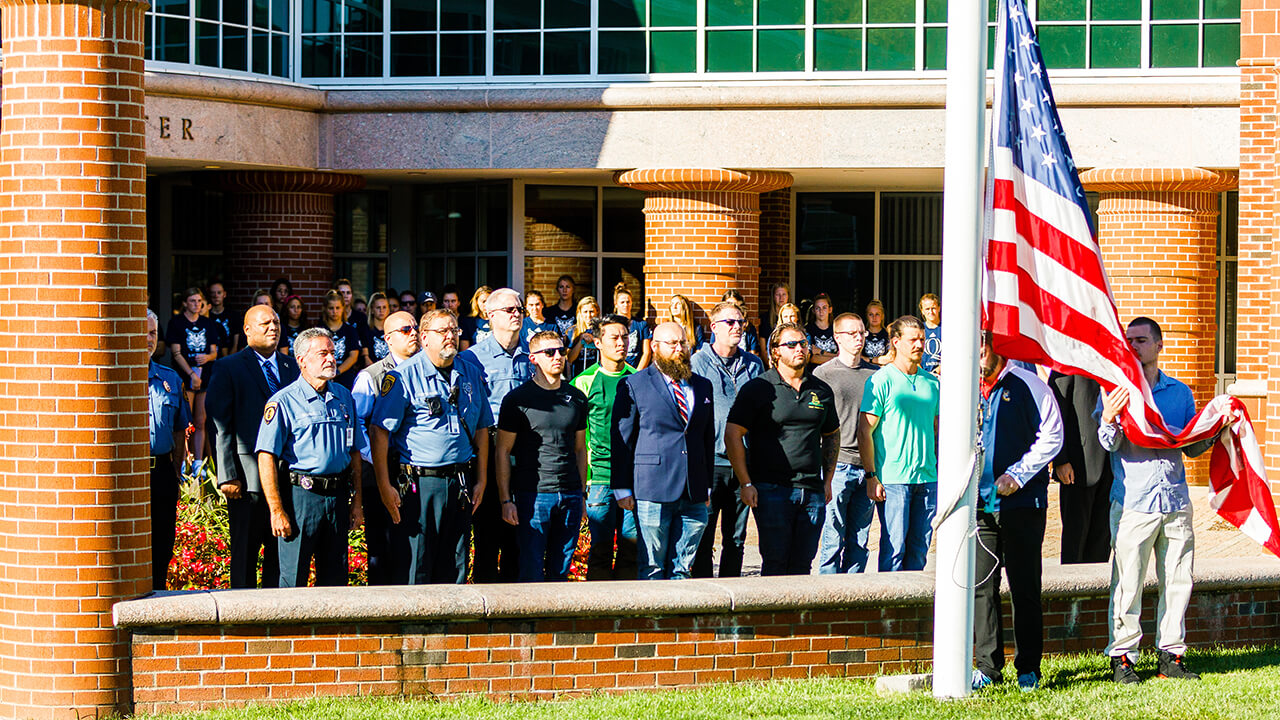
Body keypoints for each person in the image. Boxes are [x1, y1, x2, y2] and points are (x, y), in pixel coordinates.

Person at [1098, 317, 1219, 683]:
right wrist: (1108, 416)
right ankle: (1122, 657)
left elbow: (1190, 446)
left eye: (1141, 340)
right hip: (1134, 502)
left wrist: (1215, 426)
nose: (1133, 346)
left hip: (1176, 502)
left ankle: (1171, 655)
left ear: (1158, 345)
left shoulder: (1179, 393)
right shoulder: (1118, 392)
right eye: (1129, 340)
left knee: (1179, 581)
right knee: (1128, 583)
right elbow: (1108, 443)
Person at [369, 309, 492, 584]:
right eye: (442, 332)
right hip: (420, 485)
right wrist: (384, 486)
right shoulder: (403, 376)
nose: (451, 336)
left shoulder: (470, 373)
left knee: (457, 565)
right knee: (417, 565)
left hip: (461, 481)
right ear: (424, 338)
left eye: (455, 331)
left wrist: (482, 479)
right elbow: (379, 432)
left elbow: (482, 427)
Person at [970, 333, 1064, 693]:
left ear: (998, 348)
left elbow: (1052, 435)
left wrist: (1019, 474)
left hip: (1022, 504)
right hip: (980, 506)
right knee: (982, 588)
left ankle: (1029, 669)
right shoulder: (964, 387)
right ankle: (988, 668)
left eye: (983, 347)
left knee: (1024, 587)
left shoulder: (1029, 384)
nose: (978, 355)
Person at [726, 322, 839, 576]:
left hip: (811, 491)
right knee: (775, 563)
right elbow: (733, 434)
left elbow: (831, 435)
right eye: (791, 344)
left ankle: (798, 617)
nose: (799, 348)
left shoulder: (820, 390)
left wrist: (828, 480)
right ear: (775, 351)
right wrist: (746, 483)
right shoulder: (758, 388)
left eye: (803, 343)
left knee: (802, 565)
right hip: (771, 489)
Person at [255, 327, 364, 588]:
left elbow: (355, 452)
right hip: (301, 499)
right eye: (323, 353)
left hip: (337, 497)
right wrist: (276, 510)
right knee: (293, 579)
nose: (331, 359)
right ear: (302, 360)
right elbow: (266, 456)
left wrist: (357, 501)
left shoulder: (344, 397)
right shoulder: (283, 401)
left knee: (336, 579)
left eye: (333, 353)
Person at [205, 304, 300, 588]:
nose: (273, 327)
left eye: (276, 323)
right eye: (265, 323)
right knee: (245, 553)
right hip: (246, 481)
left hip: (286, 475)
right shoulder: (228, 367)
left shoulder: (291, 366)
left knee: (278, 553)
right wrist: (227, 474)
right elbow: (220, 424)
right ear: (247, 330)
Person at [611, 322, 714, 580]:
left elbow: (706, 439)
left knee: (683, 568)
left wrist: (707, 485)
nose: (679, 349)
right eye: (672, 344)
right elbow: (622, 441)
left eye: (683, 343)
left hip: (693, 490)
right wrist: (622, 488)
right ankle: (652, 620)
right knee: (652, 566)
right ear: (654, 347)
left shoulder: (702, 386)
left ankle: (677, 618)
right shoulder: (634, 385)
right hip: (652, 489)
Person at [495, 331, 589, 582]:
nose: (557, 356)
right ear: (533, 358)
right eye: (549, 352)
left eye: (561, 351)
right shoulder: (517, 400)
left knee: (561, 572)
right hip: (532, 496)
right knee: (531, 572)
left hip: (569, 493)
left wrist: (580, 494)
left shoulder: (577, 398)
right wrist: (506, 500)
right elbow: (502, 451)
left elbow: (580, 449)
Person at [457, 288, 531, 584]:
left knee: (520, 538)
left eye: (519, 309)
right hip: (489, 450)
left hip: (527, 453)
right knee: (487, 535)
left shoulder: (534, 353)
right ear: (490, 316)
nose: (516, 314)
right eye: (509, 310)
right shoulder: (472, 358)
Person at [859, 315, 940, 572]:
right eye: (913, 339)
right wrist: (872, 475)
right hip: (893, 479)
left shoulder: (933, 383)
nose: (920, 344)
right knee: (894, 550)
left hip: (927, 478)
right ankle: (888, 610)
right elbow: (864, 430)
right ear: (896, 341)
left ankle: (914, 611)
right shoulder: (881, 379)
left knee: (919, 550)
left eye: (922, 339)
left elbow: (939, 429)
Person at [690, 301, 762, 578]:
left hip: (743, 464)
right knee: (703, 535)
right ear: (713, 328)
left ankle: (733, 596)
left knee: (735, 538)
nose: (737, 327)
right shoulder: (697, 363)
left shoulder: (753, 365)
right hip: (710, 463)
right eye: (730, 322)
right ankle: (705, 598)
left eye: (741, 322)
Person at [352, 310, 420, 585]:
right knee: (382, 552)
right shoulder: (372, 376)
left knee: (412, 548)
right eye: (406, 330)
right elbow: (356, 422)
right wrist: (374, 455)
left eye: (415, 327)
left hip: (414, 472)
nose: (413, 333)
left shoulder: (426, 369)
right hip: (379, 472)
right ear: (388, 339)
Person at [572, 315, 638, 580]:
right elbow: (577, 439)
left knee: (631, 550)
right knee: (599, 550)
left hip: (633, 478)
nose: (621, 342)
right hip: (599, 478)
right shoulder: (584, 382)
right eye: (614, 337)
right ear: (598, 342)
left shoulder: (638, 378)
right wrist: (583, 482)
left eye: (625, 336)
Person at [813, 313, 879, 574]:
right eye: (852, 333)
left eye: (862, 333)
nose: (859, 338)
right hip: (837, 466)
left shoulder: (876, 374)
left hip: (868, 466)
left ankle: (854, 597)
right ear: (837, 337)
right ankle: (828, 597)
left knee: (860, 540)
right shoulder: (823, 373)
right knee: (832, 538)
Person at [146, 309, 191, 591]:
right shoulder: (116, 378)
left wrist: (176, 471)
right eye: (142, 332)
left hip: (161, 471)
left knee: (162, 542)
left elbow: (179, 428)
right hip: (128, 475)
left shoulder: (170, 379)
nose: (148, 339)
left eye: (152, 333)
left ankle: (157, 597)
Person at [1050, 372, 1114, 564]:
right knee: (1075, 537)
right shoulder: (1067, 359)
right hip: (1078, 465)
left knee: (1103, 536)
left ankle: (1096, 589)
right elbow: (1056, 411)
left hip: (1113, 463)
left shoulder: (1115, 359)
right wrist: (1061, 459)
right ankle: (1072, 591)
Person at [166, 287, 220, 472]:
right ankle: (181, 460)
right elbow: (176, 352)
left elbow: (214, 351)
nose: (196, 304)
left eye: (199, 301)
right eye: (192, 301)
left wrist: (207, 358)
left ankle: (198, 462)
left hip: (205, 375)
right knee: (184, 421)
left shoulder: (207, 323)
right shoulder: (177, 322)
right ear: (184, 303)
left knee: (200, 420)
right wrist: (191, 374)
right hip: (185, 375)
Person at [320, 290, 362, 389]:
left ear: (343, 308)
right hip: (324, 376)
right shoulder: (320, 330)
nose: (334, 311)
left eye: (337, 308)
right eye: (331, 308)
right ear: (325, 309)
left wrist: (337, 371)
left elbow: (353, 356)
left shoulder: (350, 330)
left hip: (345, 377)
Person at [715, 289, 761, 363]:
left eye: (735, 304)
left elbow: (753, 351)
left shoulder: (749, 327)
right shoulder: (720, 326)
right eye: (729, 304)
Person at [614, 283, 651, 370]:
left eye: (628, 302)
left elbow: (647, 352)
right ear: (616, 304)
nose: (626, 305)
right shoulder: (611, 325)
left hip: (637, 369)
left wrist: (637, 372)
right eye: (622, 302)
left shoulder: (641, 324)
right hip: (617, 369)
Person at [566, 296, 601, 379]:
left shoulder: (601, 330)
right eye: (585, 312)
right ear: (580, 313)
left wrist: (595, 340)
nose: (588, 315)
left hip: (596, 375)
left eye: (591, 311)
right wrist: (580, 341)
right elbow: (570, 359)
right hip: (579, 375)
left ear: (597, 312)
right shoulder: (573, 331)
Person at [764, 303, 803, 368]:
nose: (789, 319)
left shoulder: (804, 335)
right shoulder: (774, 337)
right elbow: (771, 360)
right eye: (785, 316)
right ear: (781, 318)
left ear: (797, 317)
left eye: (792, 316)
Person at [207, 281, 240, 357]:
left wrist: (230, 358)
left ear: (224, 294)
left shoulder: (233, 315)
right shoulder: (206, 316)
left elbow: (236, 342)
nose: (216, 296)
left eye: (219, 293)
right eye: (213, 293)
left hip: (231, 355)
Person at [360, 292, 392, 366]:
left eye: (384, 307)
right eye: (378, 307)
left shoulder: (393, 329)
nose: (381, 310)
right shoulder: (365, 329)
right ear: (372, 310)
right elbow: (365, 356)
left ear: (388, 309)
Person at [806, 293, 838, 366]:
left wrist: (821, 352)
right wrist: (835, 357)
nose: (821, 311)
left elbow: (843, 357)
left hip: (835, 372)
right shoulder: (808, 330)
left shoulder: (837, 329)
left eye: (824, 307)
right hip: (814, 373)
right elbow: (812, 358)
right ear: (813, 310)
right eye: (818, 308)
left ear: (830, 309)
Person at [459, 286, 492, 350]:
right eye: (483, 301)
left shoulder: (498, 320)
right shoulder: (468, 322)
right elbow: (464, 350)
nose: (486, 304)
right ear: (476, 302)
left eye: (489, 301)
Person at [919, 293, 942, 374]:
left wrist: (937, 371)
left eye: (933, 308)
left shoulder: (946, 329)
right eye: (927, 309)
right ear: (922, 311)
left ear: (939, 308)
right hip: (922, 374)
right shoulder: (919, 329)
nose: (930, 312)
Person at [863, 300, 890, 365]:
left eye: (877, 314)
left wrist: (867, 359)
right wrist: (876, 360)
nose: (874, 317)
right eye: (871, 314)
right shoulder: (861, 334)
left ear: (882, 316)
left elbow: (890, 358)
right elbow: (858, 357)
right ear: (867, 316)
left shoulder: (888, 334)